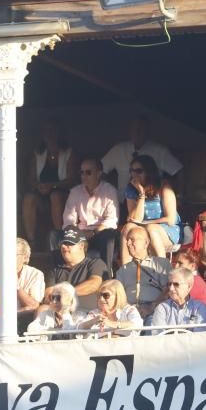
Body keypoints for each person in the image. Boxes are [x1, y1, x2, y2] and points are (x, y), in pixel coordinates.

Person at [23, 118, 77, 246]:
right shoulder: (38, 153)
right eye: (46, 131)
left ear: (59, 133)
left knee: (55, 196)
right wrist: (39, 186)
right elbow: (30, 179)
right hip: (41, 194)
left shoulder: (68, 153)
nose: (49, 135)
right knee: (28, 198)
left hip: (63, 194)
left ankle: (59, 238)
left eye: (52, 131)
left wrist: (53, 185)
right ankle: (31, 241)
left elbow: (72, 179)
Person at [102, 115, 183, 196]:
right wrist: (106, 192)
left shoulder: (160, 151)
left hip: (150, 201)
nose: (136, 132)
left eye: (140, 129)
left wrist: (178, 195)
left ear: (147, 131)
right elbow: (99, 171)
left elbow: (179, 170)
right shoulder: (118, 150)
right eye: (134, 129)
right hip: (123, 202)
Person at [62, 156, 120, 267]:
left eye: (88, 172)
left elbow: (112, 220)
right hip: (80, 233)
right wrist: (77, 234)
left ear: (98, 174)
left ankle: (106, 274)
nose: (84, 176)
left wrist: (93, 232)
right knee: (55, 236)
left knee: (108, 236)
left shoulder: (109, 190)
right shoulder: (75, 192)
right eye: (82, 172)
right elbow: (68, 220)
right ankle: (62, 274)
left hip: (100, 233)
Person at [121, 154, 180, 261]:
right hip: (143, 228)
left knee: (151, 229)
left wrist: (147, 223)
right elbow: (136, 219)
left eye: (139, 171)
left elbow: (171, 219)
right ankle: (126, 271)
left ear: (149, 172)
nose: (135, 174)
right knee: (128, 228)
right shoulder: (131, 189)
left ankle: (162, 270)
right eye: (132, 171)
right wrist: (141, 194)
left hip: (166, 229)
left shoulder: (164, 187)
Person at [46, 227, 108, 313]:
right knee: (41, 310)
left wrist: (67, 293)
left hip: (88, 313)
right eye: (62, 243)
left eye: (69, 243)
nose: (63, 246)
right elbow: (48, 295)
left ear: (81, 246)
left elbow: (94, 284)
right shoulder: (55, 268)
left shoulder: (95, 263)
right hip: (60, 312)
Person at [116, 225, 170, 319]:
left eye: (132, 239)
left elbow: (168, 290)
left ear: (146, 243)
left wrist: (152, 307)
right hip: (130, 314)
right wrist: (130, 310)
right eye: (127, 240)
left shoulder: (161, 264)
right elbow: (118, 296)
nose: (128, 243)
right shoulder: (122, 270)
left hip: (155, 311)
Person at [0, 237, 45, 315]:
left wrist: (16, 286)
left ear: (25, 257)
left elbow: (34, 305)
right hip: (0, 321)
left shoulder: (35, 274)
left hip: (26, 319)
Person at [150, 267, 206, 331]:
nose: (171, 288)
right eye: (169, 284)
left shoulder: (199, 308)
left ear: (189, 286)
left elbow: (199, 336)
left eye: (176, 284)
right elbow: (158, 336)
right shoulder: (162, 308)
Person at [78, 279, 143, 335]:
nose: (101, 299)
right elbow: (78, 329)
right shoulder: (94, 313)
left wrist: (112, 324)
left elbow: (137, 324)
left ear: (117, 296)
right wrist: (92, 321)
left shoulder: (129, 310)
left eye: (106, 295)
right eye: (99, 295)